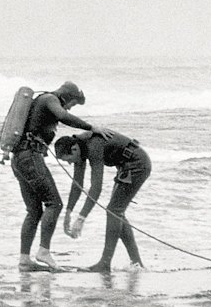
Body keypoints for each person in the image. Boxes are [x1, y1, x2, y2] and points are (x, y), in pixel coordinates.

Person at [11, 81, 110, 272]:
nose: (69, 108)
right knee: (54, 204)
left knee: (34, 211)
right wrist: (91, 127)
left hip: (19, 159)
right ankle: (44, 251)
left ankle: (24, 260)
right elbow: (62, 115)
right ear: (67, 96)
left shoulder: (41, 101)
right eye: (72, 104)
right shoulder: (50, 99)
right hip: (30, 156)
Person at [54, 129, 152, 272]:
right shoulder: (78, 147)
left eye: (67, 159)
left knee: (114, 211)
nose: (69, 163)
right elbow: (77, 184)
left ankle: (105, 263)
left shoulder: (93, 146)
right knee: (117, 213)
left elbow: (96, 188)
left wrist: (81, 218)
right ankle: (136, 263)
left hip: (137, 164)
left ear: (74, 149)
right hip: (125, 166)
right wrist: (68, 213)